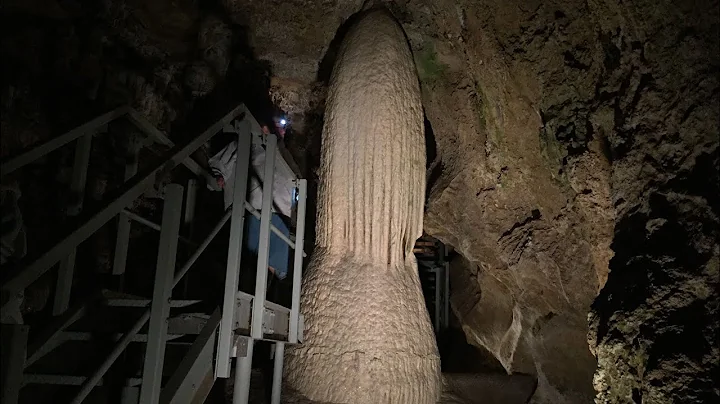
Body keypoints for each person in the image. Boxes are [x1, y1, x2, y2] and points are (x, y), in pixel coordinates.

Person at [208, 116, 295, 281]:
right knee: (250, 256)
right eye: (276, 124)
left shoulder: (285, 156)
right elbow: (220, 162)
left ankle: (269, 293)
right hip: (253, 206)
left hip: (279, 212)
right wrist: (219, 176)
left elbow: (295, 180)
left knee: (274, 262)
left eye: (283, 126)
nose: (280, 129)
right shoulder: (248, 142)